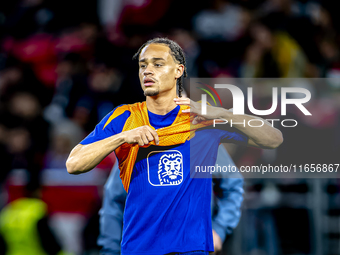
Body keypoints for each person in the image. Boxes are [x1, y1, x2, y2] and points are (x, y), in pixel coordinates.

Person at [66, 38, 283, 255]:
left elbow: (273, 139)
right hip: (139, 249)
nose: (148, 71)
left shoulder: (201, 120)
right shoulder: (125, 118)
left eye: (158, 64)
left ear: (178, 70)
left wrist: (221, 113)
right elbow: (74, 164)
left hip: (192, 249)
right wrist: (122, 138)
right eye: (143, 65)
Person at [98, 145, 244, 255]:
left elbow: (233, 186)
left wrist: (219, 229)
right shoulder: (135, 143)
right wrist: (111, 249)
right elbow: (114, 200)